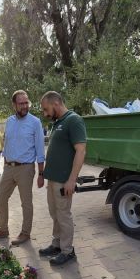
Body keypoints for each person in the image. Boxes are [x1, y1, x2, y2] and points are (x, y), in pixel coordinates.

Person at [0, 90, 45, 245]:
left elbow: (40, 149)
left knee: (26, 202)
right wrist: (5, 160)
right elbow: (7, 142)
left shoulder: (35, 122)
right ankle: (3, 230)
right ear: (14, 105)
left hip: (25, 168)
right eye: (21, 103)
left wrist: (41, 173)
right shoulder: (10, 121)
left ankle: (25, 233)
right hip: (8, 168)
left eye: (27, 103)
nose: (25, 106)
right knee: (1, 198)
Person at [38, 91, 87, 266]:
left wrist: (72, 180)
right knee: (55, 213)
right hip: (53, 179)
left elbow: (81, 151)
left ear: (56, 103)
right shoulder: (58, 122)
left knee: (64, 214)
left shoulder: (74, 120)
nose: (45, 113)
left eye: (46, 109)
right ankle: (57, 244)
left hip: (64, 180)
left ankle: (67, 250)